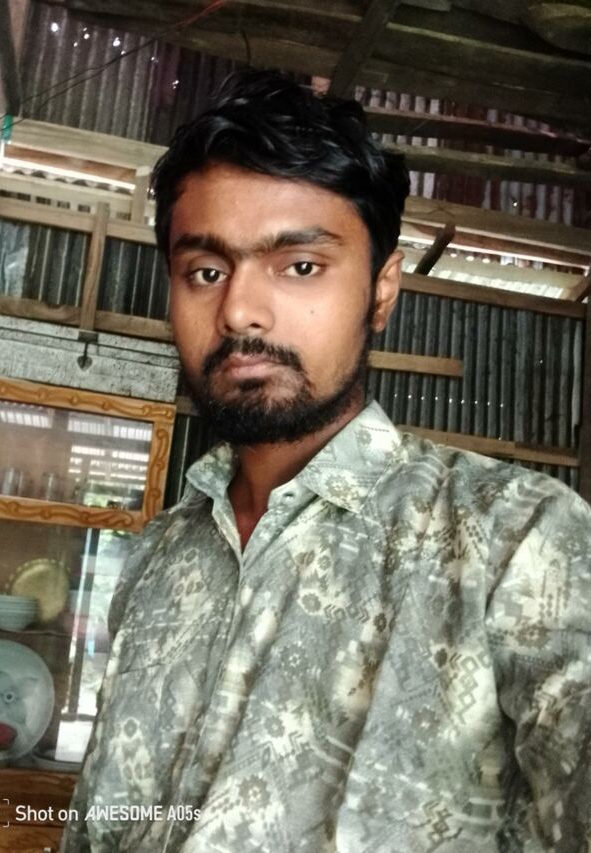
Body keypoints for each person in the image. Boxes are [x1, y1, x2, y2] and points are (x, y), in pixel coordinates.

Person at [61, 69, 591, 853]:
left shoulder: (519, 539)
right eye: (205, 271)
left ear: (382, 290)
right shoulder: (157, 555)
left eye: (300, 266)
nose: (239, 310)